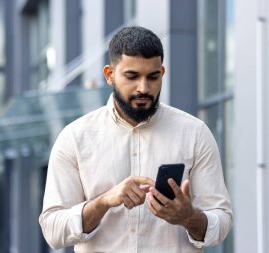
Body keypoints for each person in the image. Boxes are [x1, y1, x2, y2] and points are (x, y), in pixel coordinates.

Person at [39, 26, 233, 253]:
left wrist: (189, 217)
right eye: (132, 76)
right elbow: (52, 229)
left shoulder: (194, 133)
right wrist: (104, 202)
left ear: (162, 73)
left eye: (152, 77)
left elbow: (223, 220)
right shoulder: (75, 138)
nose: (143, 88)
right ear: (110, 75)